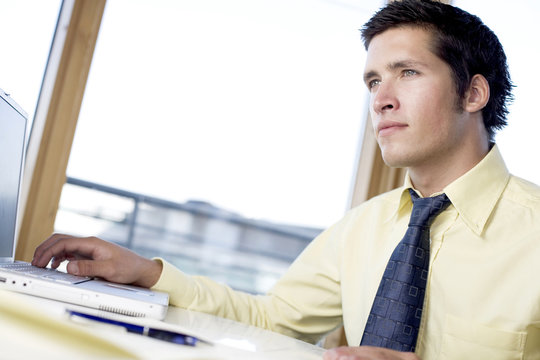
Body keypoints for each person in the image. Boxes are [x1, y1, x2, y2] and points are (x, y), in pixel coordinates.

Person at [32, 1, 540, 359]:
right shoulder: (363, 228)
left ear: (473, 94)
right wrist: (146, 272)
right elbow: (273, 319)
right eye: (372, 80)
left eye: (407, 72)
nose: (381, 98)